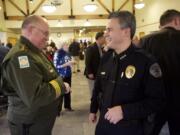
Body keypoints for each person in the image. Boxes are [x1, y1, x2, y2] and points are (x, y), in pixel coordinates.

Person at [89, 11, 165, 135]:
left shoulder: (146, 62)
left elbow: (157, 101)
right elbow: (98, 88)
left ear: (126, 32)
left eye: (109, 30)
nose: (105, 34)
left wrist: (124, 111)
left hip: (130, 129)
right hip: (103, 127)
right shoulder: (106, 58)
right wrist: (93, 109)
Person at [1, 15, 70, 135]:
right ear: (32, 30)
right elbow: (36, 96)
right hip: (29, 123)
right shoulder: (21, 56)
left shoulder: (34, 51)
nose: (47, 38)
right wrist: (61, 85)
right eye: (45, 33)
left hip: (38, 120)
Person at [140, 9, 180, 135]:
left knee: (151, 130)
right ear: (176, 21)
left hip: (154, 98)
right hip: (178, 98)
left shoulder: (145, 40)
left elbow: (141, 72)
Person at [53, 42, 75, 111]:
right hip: (60, 76)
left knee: (68, 91)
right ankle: (58, 110)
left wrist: (73, 62)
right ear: (62, 46)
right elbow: (55, 66)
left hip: (68, 75)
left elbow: (71, 61)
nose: (68, 46)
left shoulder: (68, 53)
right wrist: (66, 64)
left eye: (68, 45)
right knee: (60, 93)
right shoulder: (57, 54)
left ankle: (67, 106)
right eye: (66, 45)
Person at [84, 32, 105, 96]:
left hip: (97, 73)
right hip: (92, 73)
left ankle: (96, 102)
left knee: (97, 90)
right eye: (104, 38)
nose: (105, 40)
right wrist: (89, 72)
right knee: (93, 90)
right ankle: (93, 104)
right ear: (99, 38)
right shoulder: (91, 47)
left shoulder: (101, 48)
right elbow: (87, 61)